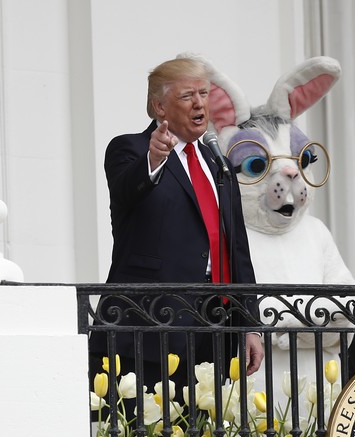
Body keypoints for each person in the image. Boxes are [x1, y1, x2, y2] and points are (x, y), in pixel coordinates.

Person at [89, 55, 263, 390]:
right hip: (149, 327)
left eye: (203, 93)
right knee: (145, 436)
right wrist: (153, 160)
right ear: (160, 108)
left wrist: (250, 324)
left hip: (215, 327)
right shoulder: (130, 149)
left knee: (207, 436)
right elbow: (129, 189)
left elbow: (237, 249)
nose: (199, 103)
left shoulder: (219, 164)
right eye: (187, 96)